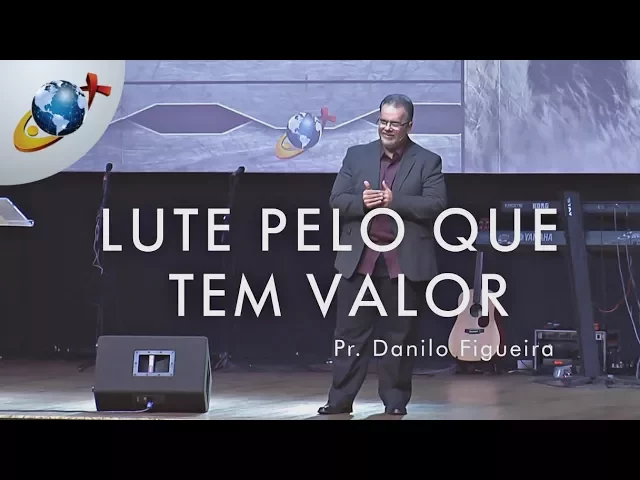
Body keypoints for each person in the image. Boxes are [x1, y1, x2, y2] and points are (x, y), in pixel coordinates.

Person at [318, 94, 447, 416]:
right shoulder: (356, 155)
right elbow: (336, 199)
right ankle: (339, 400)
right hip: (359, 261)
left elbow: (436, 205)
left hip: (403, 263)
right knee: (348, 335)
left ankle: (395, 401)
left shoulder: (428, 161)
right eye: (383, 121)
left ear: (409, 126)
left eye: (395, 123)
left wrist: (394, 201)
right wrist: (362, 202)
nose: (387, 128)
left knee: (399, 336)